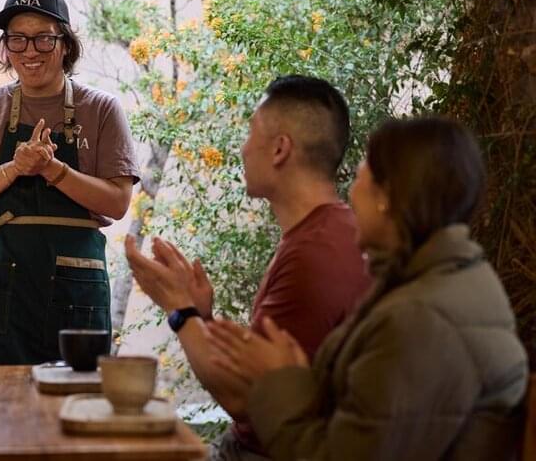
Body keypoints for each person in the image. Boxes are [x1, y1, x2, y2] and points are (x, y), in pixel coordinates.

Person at [205, 116, 528, 460]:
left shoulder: (419, 320)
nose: (350, 192)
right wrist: (297, 381)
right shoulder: (445, 281)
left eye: (361, 174)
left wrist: (277, 382)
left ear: (385, 197)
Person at [125, 75, 372, 460]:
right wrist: (202, 318)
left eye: (251, 132)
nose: (242, 148)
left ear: (280, 149)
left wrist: (179, 309)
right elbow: (253, 370)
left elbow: (244, 398)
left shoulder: (313, 257)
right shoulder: (327, 232)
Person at [0, 0, 140, 365]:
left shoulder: (101, 109)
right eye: (17, 40)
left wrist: (53, 169)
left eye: (43, 39)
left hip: (75, 292)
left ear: (65, 45)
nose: (30, 51)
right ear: (6, 47)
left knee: (72, 399)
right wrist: (15, 168)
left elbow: (117, 203)